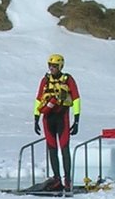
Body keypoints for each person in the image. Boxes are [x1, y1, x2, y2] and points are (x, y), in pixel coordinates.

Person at [32, 53, 81, 190]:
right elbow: (38, 98)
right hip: (48, 119)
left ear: (60, 66)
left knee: (64, 148)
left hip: (62, 118)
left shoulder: (68, 79)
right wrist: (36, 118)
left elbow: (76, 98)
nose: (51, 68)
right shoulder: (45, 80)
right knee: (52, 149)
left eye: (54, 66)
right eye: (50, 65)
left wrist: (76, 120)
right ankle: (57, 178)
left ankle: (67, 180)